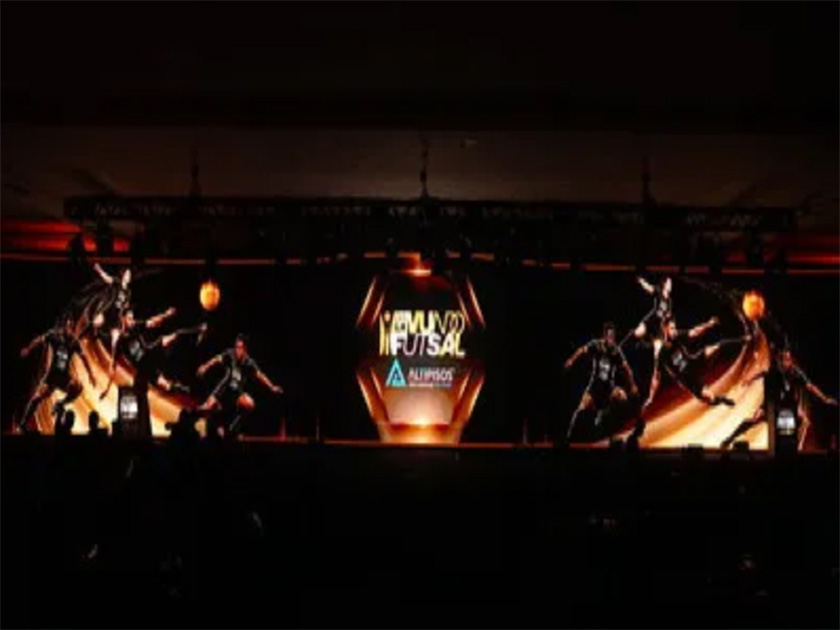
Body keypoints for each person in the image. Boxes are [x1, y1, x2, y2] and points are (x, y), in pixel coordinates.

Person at [721, 348, 838, 449]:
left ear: (790, 361)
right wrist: (750, 379)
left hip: (789, 405)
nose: (786, 363)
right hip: (772, 404)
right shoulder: (775, 370)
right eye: (783, 360)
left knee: (802, 420)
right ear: (779, 361)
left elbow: (810, 386)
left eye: (788, 360)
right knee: (754, 420)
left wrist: (824, 398)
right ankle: (729, 438)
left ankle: (793, 445)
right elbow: (763, 372)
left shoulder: (795, 372)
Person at [100, 308, 205, 401]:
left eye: (132, 318)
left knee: (175, 335)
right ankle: (185, 389)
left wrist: (166, 314)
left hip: (151, 352)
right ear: (123, 319)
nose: (132, 321)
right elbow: (113, 365)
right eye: (129, 319)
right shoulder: (117, 339)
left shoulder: (135, 326)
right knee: (166, 386)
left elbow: (152, 321)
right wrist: (107, 388)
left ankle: (199, 329)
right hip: (144, 368)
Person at [17, 315, 96, 433]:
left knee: (78, 387)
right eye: (67, 327)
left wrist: (91, 374)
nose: (69, 330)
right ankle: (22, 424)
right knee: (37, 397)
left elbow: (84, 358)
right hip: (52, 376)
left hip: (64, 377)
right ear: (64, 327)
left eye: (71, 327)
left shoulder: (73, 341)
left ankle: (60, 404)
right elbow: (39, 339)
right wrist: (28, 349)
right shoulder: (55, 336)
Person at [195, 334, 283, 438]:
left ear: (245, 350)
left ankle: (233, 428)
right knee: (206, 408)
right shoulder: (230, 354)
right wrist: (205, 366)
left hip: (236, 394)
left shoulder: (249, 362)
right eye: (236, 347)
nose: (237, 350)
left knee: (249, 404)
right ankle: (203, 426)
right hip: (222, 391)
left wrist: (272, 386)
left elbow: (260, 375)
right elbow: (217, 359)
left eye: (240, 348)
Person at [564, 322, 639, 442]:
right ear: (604, 336)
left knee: (622, 397)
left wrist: (633, 385)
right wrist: (571, 360)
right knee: (581, 408)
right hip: (595, 386)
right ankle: (568, 436)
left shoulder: (616, 351)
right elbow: (581, 350)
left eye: (613, 336)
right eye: (609, 336)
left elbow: (627, 369)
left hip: (608, 387)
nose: (611, 339)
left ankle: (614, 432)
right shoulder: (596, 345)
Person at [644, 315, 736, 411]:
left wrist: (709, 324)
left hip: (693, 363)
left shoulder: (677, 336)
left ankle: (743, 340)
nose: (674, 331)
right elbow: (656, 377)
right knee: (710, 398)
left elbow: (694, 332)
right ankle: (721, 399)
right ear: (664, 329)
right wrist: (651, 397)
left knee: (715, 347)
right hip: (688, 379)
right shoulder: (662, 353)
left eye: (674, 328)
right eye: (671, 328)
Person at [626, 276, 673, 348]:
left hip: (658, 326)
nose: (671, 285)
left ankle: (650, 349)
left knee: (657, 349)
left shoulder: (669, 301)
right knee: (636, 334)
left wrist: (665, 332)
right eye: (669, 283)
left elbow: (667, 317)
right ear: (664, 284)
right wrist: (642, 282)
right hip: (650, 320)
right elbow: (649, 288)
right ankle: (627, 346)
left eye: (671, 283)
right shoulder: (658, 291)